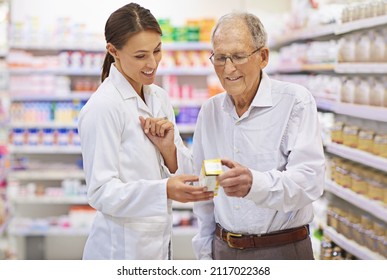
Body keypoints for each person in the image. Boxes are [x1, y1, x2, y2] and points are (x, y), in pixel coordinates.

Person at [78, 3, 213, 260]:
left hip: (157, 247)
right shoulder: (103, 107)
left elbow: (184, 174)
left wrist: (169, 150)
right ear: (113, 51)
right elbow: (101, 192)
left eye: (157, 51)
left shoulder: (159, 98)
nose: (152, 63)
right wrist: (163, 190)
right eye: (140, 56)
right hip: (118, 252)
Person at [192, 12, 325, 260]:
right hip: (223, 250)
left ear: (262, 57)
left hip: (283, 251)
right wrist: (204, 254)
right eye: (220, 58)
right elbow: (208, 188)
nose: (228, 68)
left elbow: (309, 181)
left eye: (239, 57)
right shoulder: (210, 112)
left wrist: (255, 183)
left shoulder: (295, 102)